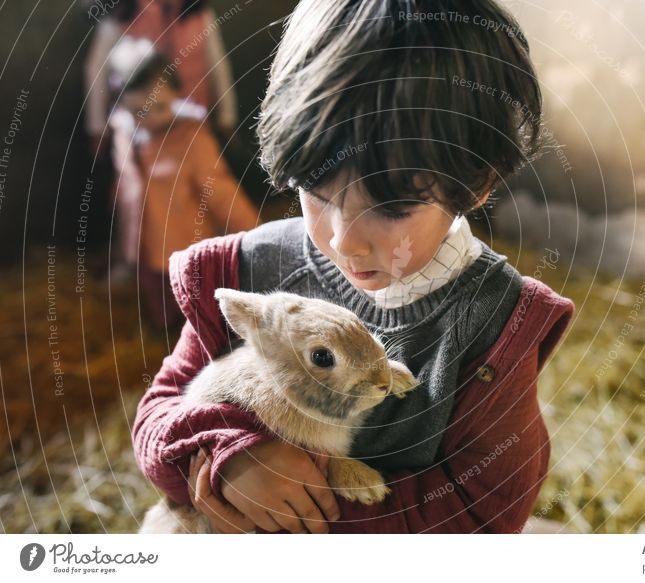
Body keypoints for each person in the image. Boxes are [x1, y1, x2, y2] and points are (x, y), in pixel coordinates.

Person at [132, 0, 575, 533]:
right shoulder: (252, 272)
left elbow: (487, 503)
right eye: (315, 192)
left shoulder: (490, 320)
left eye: (390, 209)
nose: (345, 242)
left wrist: (297, 519)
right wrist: (231, 455)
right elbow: (158, 416)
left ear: (475, 184)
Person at [108, 39, 259, 330]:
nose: (149, 118)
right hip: (144, 246)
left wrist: (253, 232)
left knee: (196, 312)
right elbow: (122, 186)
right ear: (122, 102)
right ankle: (162, 333)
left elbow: (219, 190)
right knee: (160, 310)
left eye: (159, 107)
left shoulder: (190, 136)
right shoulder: (124, 133)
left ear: (176, 92)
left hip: (186, 246)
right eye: (139, 111)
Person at [84, 0, 238, 158]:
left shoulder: (200, 16)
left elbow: (218, 68)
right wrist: (97, 128)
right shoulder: (120, 15)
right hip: (136, 128)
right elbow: (96, 72)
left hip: (193, 123)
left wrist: (226, 118)